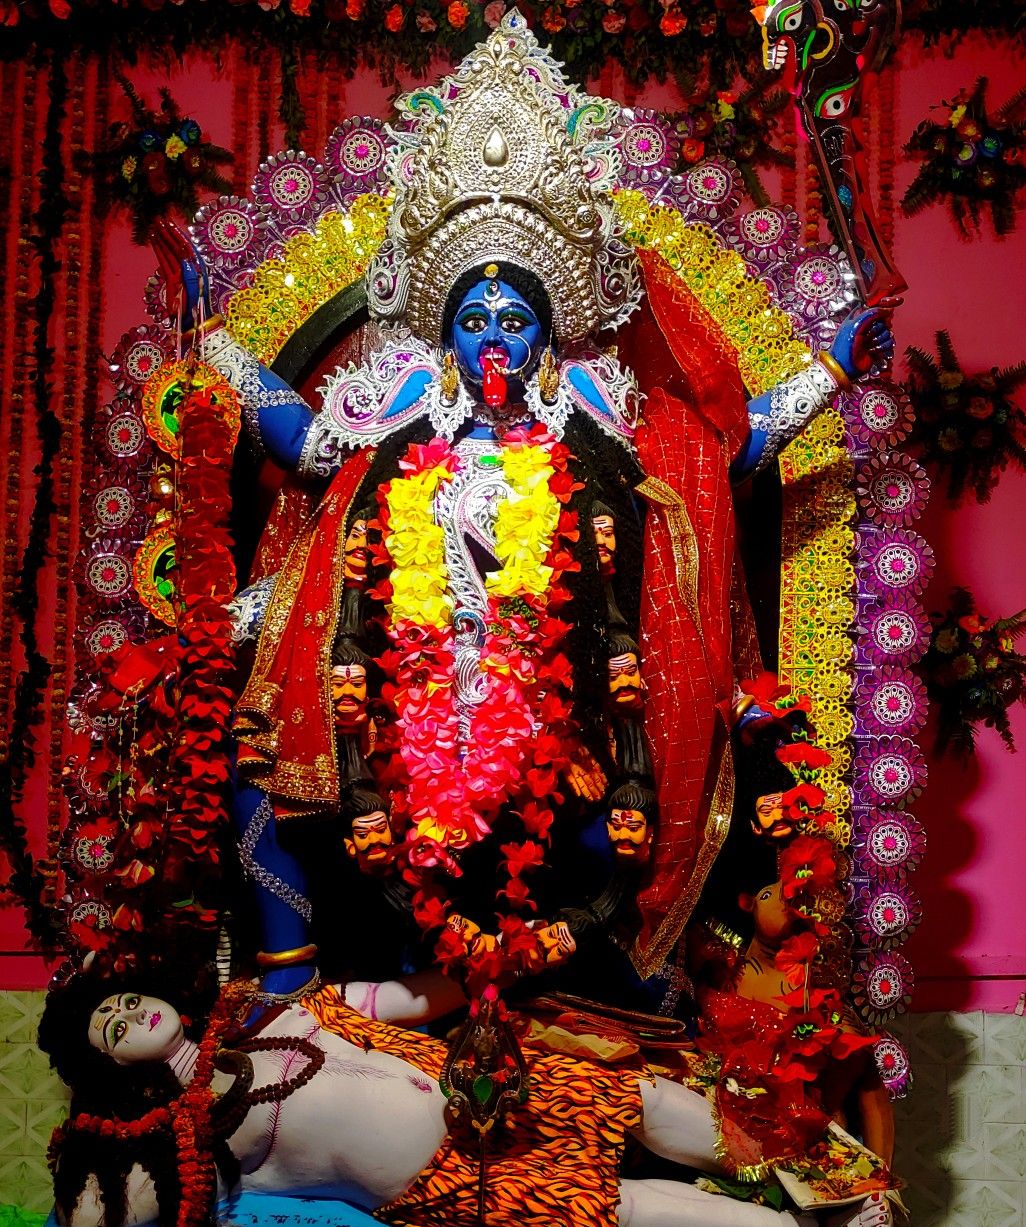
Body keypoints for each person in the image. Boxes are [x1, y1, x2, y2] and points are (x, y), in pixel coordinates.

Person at [151, 11, 895, 1008]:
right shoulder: (403, 401)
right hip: (397, 693)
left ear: (547, 331)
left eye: (514, 319)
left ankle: (618, 987)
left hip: (562, 702)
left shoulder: (598, 410)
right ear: (445, 331)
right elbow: (303, 444)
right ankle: (292, 984)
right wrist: (220, 348)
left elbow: (724, 459)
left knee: (610, 812)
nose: (492, 338)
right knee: (266, 763)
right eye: (472, 319)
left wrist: (830, 372)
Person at [39, 972, 894, 1227]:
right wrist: (101, 1143)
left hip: (481, 1083)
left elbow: (411, 995)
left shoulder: (276, 1007)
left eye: (121, 1000)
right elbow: (81, 1224)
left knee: (631, 1096)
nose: (126, 1016)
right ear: (112, 1066)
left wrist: (488, 969)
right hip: (448, 1180)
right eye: (107, 1029)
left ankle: (809, 1171)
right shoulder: (186, 1139)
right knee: (611, 1213)